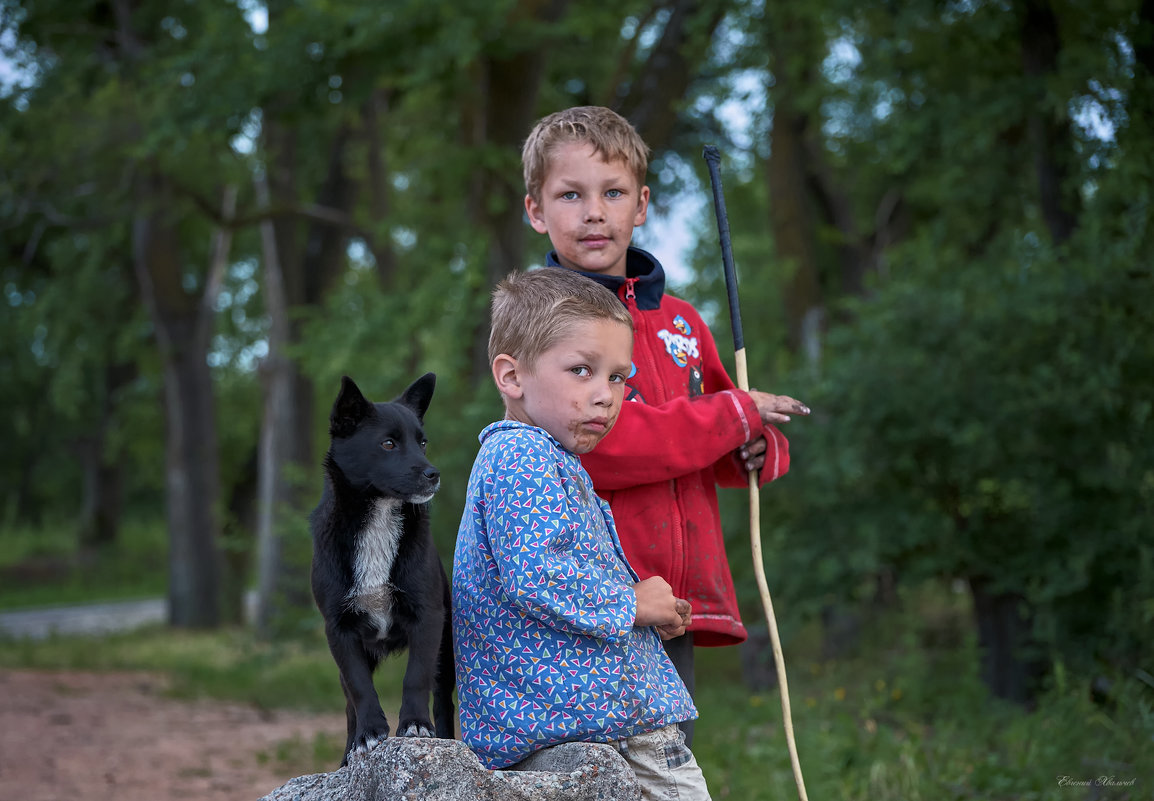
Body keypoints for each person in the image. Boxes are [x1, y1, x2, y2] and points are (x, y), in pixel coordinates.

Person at [521, 106, 810, 744]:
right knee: (592, 766)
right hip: (594, 596)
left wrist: (755, 447)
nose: (594, 211)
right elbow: (605, 445)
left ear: (642, 204)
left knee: (664, 759)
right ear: (536, 211)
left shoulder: (682, 322)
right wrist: (734, 416)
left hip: (674, 600)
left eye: (613, 192)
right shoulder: (542, 323)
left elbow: (721, 431)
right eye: (570, 195)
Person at [452, 267, 714, 800]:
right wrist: (632, 605)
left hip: (584, 713)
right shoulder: (520, 455)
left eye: (618, 377)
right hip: (583, 719)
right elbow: (538, 572)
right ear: (512, 376)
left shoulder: (551, 460)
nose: (606, 395)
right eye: (581, 370)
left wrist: (641, 622)